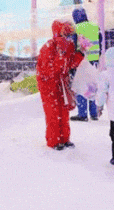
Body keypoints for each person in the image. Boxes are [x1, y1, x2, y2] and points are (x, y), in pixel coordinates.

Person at [36, 20, 84, 150]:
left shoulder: (67, 46)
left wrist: (80, 53)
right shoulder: (49, 47)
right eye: (66, 34)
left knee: (63, 112)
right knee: (53, 112)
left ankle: (64, 139)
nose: (68, 37)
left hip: (61, 83)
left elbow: (70, 64)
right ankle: (54, 141)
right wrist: (62, 56)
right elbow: (50, 69)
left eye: (69, 34)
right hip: (48, 85)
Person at [70, 8, 101, 122]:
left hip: (83, 61)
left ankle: (82, 114)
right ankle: (94, 113)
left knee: (81, 86)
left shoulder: (76, 28)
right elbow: (100, 41)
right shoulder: (95, 27)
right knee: (92, 86)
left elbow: (73, 46)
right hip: (94, 61)